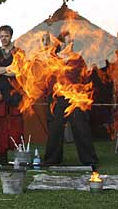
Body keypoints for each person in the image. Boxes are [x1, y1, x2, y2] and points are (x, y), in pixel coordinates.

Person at [41, 33, 99, 168]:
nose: (70, 44)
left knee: (81, 128)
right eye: (67, 42)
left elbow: (85, 79)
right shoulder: (52, 59)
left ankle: (88, 160)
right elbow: (47, 79)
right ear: (61, 43)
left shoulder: (78, 59)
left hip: (75, 99)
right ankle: (52, 160)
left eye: (72, 42)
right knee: (55, 129)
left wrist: (83, 96)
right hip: (57, 99)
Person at [0, 25, 25, 165]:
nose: (3, 38)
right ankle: (2, 158)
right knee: (0, 130)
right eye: (1, 36)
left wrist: (0, 69)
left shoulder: (19, 53)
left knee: (16, 128)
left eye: (6, 36)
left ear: (11, 36)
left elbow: (18, 71)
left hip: (15, 96)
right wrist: (8, 69)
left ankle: (18, 159)